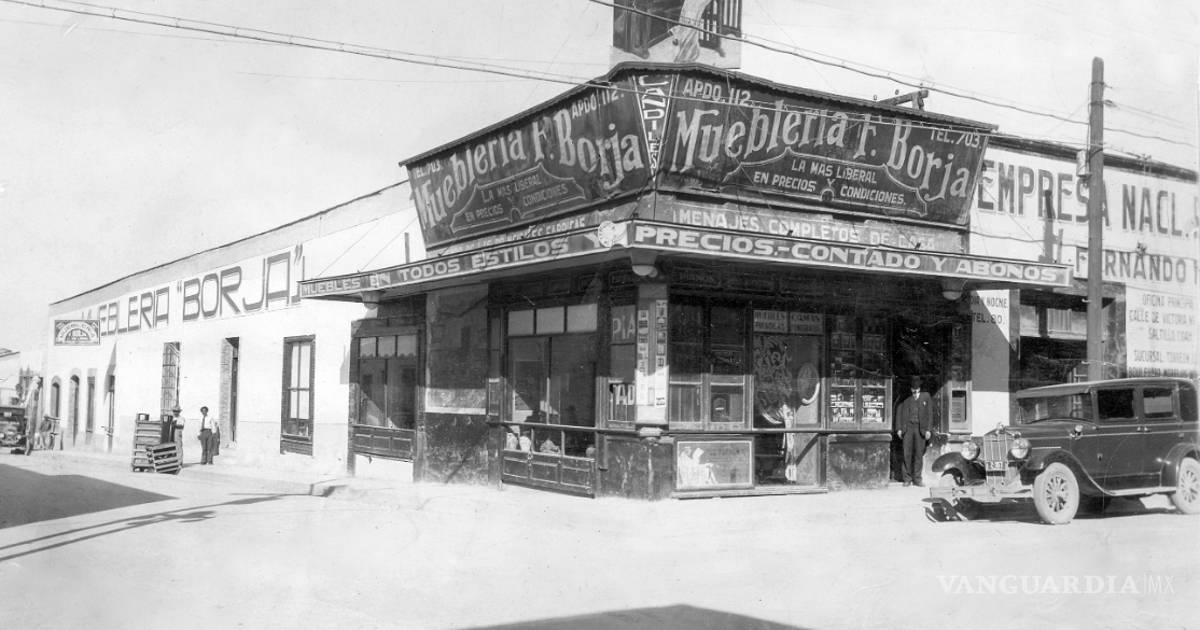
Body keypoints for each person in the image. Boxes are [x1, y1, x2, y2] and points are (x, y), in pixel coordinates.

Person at [895, 377, 933, 487]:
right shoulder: (905, 398)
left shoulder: (926, 396)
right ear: (910, 388)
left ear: (920, 388)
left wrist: (928, 430)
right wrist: (899, 428)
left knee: (918, 454)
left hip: (920, 429)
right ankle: (907, 479)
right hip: (908, 429)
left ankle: (917, 479)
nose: (915, 391)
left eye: (917, 388)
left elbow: (930, 414)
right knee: (906, 454)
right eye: (913, 388)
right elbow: (899, 412)